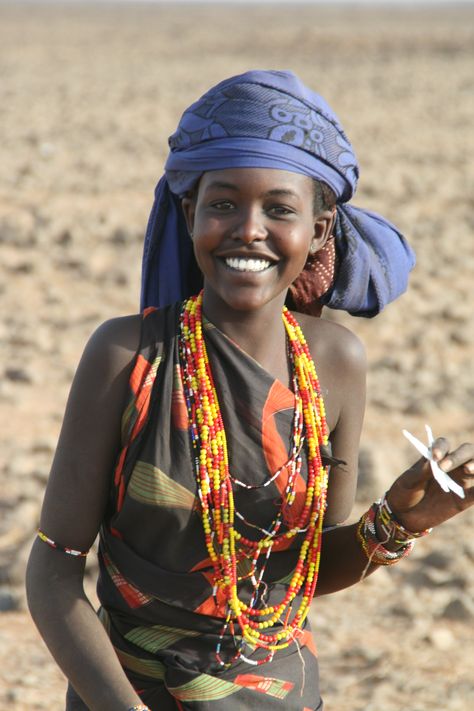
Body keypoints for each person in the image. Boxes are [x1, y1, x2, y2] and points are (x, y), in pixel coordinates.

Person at [26, 70, 474, 711]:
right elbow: (54, 568)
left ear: (321, 231)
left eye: (280, 209)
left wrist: (397, 523)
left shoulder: (335, 363)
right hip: (126, 695)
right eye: (224, 204)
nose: (248, 229)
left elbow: (300, 573)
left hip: (284, 696)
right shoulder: (127, 358)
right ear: (190, 214)